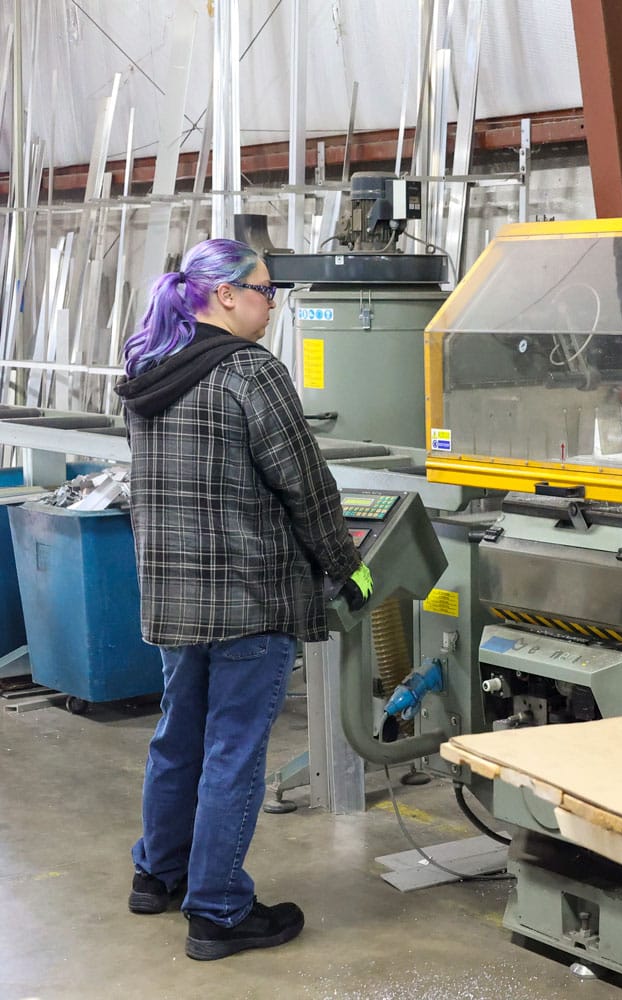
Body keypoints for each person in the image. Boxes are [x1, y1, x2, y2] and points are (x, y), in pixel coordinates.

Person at [115, 238, 373, 961]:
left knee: (179, 737)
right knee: (232, 749)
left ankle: (157, 874)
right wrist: (346, 567)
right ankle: (219, 910)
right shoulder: (249, 372)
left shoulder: (149, 368)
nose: (272, 304)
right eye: (265, 290)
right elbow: (308, 486)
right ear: (224, 295)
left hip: (174, 595)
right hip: (248, 597)